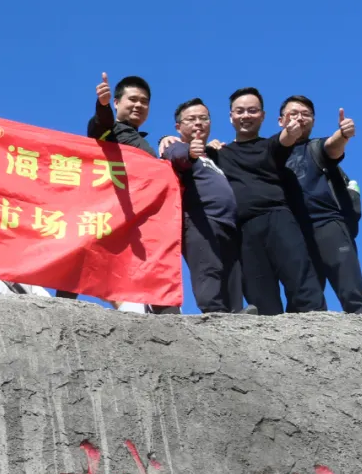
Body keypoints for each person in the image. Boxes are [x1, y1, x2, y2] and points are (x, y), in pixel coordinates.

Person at [204, 88, 325, 316]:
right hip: (243, 229)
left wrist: (291, 132)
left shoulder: (269, 146)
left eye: (252, 110)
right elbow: (191, 153)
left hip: (278, 219)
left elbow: (284, 140)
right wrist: (165, 139)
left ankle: (322, 341)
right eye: (240, 111)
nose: (246, 115)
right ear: (231, 116)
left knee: (303, 285)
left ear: (262, 116)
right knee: (260, 298)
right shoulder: (219, 154)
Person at [82, 72, 179, 315]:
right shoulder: (109, 131)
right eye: (132, 99)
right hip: (119, 217)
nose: (139, 105)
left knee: (158, 275)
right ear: (116, 103)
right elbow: (99, 123)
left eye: (144, 101)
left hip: (149, 221)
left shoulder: (142, 141)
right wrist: (101, 106)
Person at [278, 96, 362, 316]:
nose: (300, 118)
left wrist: (344, 134)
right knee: (302, 300)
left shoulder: (316, 147)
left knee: (351, 291)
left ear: (313, 120)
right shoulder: (271, 154)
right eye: (293, 113)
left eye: (306, 114)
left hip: (328, 224)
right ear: (280, 120)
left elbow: (332, 146)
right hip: (294, 233)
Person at [159, 98, 243, 314]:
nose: (198, 123)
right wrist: (189, 152)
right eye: (191, 119)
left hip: (228, 224)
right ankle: (214, 317)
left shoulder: (212, 156)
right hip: (200, 220)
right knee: (209, 271)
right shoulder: (176, 145)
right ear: (178, 127)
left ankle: (236, 319)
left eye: (203, 118)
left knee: (232, 276)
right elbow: (175, 156)